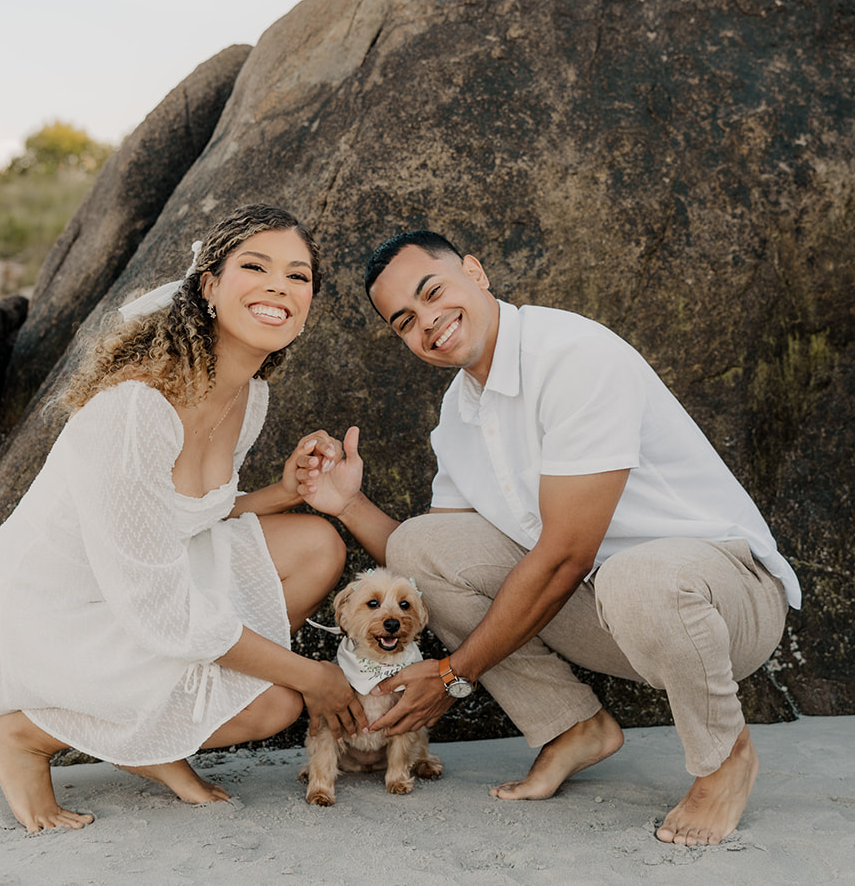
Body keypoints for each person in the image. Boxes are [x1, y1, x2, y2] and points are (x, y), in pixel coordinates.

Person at [291, 230, 801, 847]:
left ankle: (725, 758)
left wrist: (454, 674)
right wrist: (347, 503)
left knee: (636, 576)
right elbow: (433, 563)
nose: (429, 323)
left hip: (722, 599)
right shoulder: (460, 413)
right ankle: (571, 728)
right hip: (603, 611)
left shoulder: (573, 355)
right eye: (405, 321)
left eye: (433, 293)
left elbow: (566, 554)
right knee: (422, 548)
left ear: (475, 271)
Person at [0, 204, 364, 833]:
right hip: (64, 609)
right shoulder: (136, 409)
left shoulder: (249, 395)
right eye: (255, 267)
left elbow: (176, 517)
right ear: (208, 285)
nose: (278, 288)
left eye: (298, 276)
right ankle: (23, 735)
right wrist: (316, 676)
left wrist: (279, 492)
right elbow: (157, 605)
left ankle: (157, 737)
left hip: (140, 580)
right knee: (277, 703)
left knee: (315, 543)